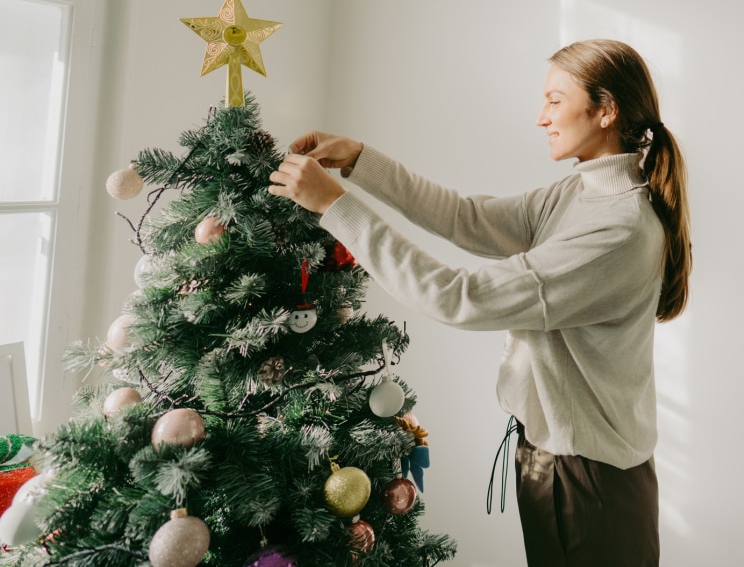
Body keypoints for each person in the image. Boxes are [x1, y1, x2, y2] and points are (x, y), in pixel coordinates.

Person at [268, 38, 691, 566]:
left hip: (590, 480)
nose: (541, 117)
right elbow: (465, 218)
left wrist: (336, 208)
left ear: (606, 110)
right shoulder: (579, 195)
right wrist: (360, 161)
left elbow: (459, 298)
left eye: (555, 100)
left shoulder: (620, 229)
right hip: (552, 461)